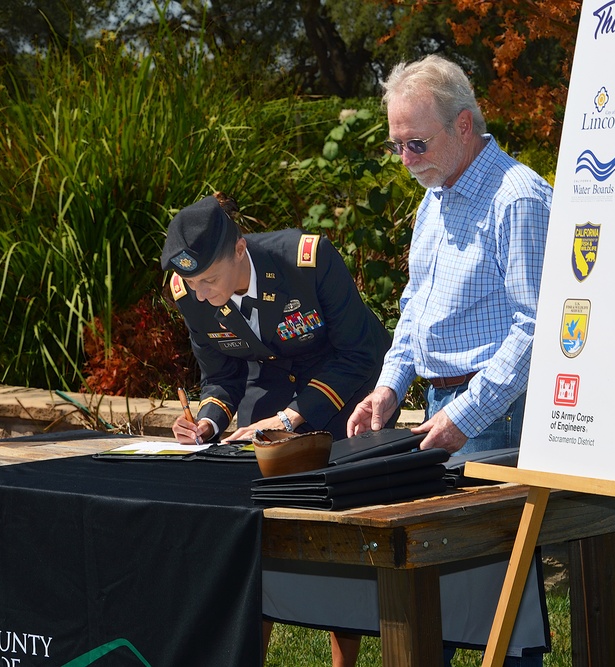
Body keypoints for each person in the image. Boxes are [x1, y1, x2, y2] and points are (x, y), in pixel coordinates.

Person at [346, 55, 552, 665]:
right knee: (440, 587)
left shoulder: (518, 196)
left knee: (500, 601)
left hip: (497, 413)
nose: (405, 160)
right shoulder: (434, 197)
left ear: (464, 126)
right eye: (396, 146)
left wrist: (468, 413)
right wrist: (388, 388)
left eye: (417, 143)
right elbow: (413, 309)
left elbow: (537, 328)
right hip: (443, 407)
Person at [161, 192, 393, 667]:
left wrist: (292, 417)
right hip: (265, 396)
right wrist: (207, 421)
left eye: (209, 279)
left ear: (240, 250)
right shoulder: (189, 293)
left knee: (339, 537)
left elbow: (360, 352)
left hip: (340, 394)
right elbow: (222, 377)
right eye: (192, 282)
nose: (200, 293)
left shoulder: (307, 260)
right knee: (256, 539)